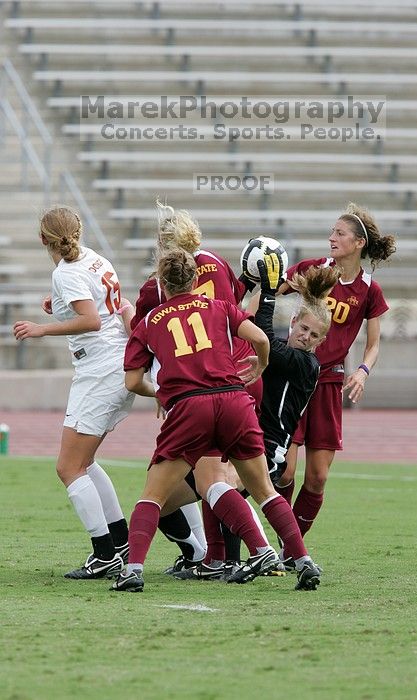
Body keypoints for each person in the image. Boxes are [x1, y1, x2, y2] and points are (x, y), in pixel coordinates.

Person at [111, 248, 322, 593]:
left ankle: (132, 570)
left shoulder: (151, 321)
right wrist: (261, 364)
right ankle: (302, 562)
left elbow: (132, 381)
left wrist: (159, 391)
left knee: (153, 496)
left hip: (189, 407)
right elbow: (259, 337)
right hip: (233, 401)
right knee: (265, 491)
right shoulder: (221, 307)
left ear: (162, 284)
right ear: (196, 280)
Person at [179, 253, 340, 580]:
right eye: (304, 328)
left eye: (314, 335)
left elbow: (262, 331)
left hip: (271, 447)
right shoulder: (281, 352)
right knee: (213, 482)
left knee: (225, 489)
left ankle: (251, 559)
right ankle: (229, 560)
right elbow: (255, 334)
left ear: (322, 341)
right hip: (249, 436)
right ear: (294, 323)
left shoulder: (305, 364)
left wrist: (267, 290)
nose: (306, 337)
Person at [131, 202, 261, 576]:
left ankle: (240, 555)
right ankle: (221, 556)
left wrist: (161, 387)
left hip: (198, 388)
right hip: (241, 374)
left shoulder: (156, 286)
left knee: (202, 482)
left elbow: (146, 335)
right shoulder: (217, 263)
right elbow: (235, 307)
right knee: (224, 477)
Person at [13, 206, 135, 579]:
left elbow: (91, 319)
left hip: (99, 371)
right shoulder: (95, 258)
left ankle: (104, 554)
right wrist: (61, 307)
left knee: (68, 467)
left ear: (42, 240)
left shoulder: (65, 272)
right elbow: (101, 306)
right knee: (86, 462)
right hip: (116, 362)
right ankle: (120, 541)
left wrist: (41, 328)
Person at [273, 202, 396, 565]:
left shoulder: (369, 290)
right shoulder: (315, 270)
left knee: (317, 479)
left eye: (339, 234)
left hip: (329, 383)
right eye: (331, 233)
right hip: (295, 377)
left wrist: (362, 371)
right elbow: (272, 289)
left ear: (358, 243)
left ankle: (285, 552)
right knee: (283, 471)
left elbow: (373, 344)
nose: (331, 238)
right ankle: (271, 542)